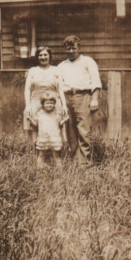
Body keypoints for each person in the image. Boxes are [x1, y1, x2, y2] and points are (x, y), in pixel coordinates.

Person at [58, 35, 102, 165]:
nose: (71, 51)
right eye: (68, 49)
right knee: (70, 130)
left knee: (83, 130)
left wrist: (94, 99)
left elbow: (96, 81)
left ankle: (86, 162)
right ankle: (75, 161)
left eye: (73, 48)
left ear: (79, 48)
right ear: (65, 49)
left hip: (83, 97)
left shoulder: (88, 61)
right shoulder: (61, 66)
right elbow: (55, 82)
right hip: (67, 98)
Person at [24, 46, 67, 143]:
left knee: (55, 127)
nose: (43, 57)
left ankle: (57, 154)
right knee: (35, 127)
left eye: (45, 55)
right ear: (37, 57)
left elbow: (60, 89)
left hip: (53, 103)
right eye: (40, 55)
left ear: (50, 56)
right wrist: (28, 105)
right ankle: (36, 154)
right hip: (36, 103)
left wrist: (64, 105)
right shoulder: (32, 70)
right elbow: (27, 89)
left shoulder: (56, 70)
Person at [29, 92, 68, 168]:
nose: (49, 105)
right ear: (43, 105)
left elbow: (59, 124)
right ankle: (39, 168)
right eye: (47, 103)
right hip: (43, 138)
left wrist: (64, 120)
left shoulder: (56, 114)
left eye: (51, 103)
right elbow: (36, 124)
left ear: (54, 104)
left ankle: (60, 170)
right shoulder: (40, 114)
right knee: (41, 155)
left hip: (54, 138)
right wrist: (30, 120)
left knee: (56, 156)